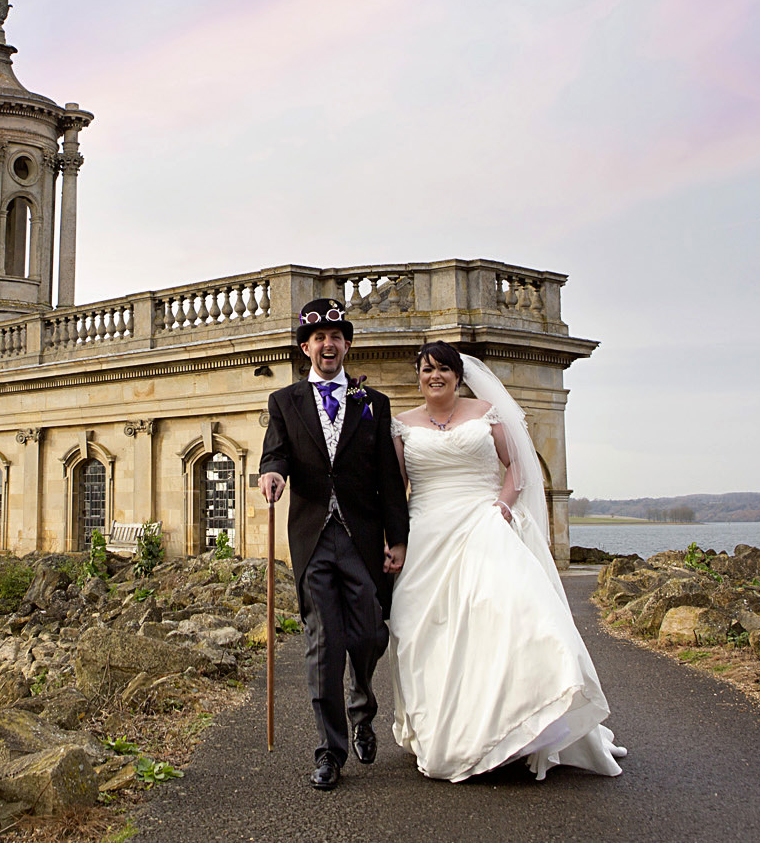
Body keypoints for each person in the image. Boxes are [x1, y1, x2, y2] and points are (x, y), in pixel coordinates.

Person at [387, 342, 627, 782]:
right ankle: (447, 729)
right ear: (417, 377)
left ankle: (521, 725)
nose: (434, 376)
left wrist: (502, 504)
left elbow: (518, 466)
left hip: (483, 523)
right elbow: (397, 488)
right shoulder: (401, 425)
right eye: (426, 369)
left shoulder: (487, 412)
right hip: (426, 535)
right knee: (425, 632)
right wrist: (394, 540)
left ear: (458, 375)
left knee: (511, 616)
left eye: (443, 369)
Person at [257, 297, 410, 791]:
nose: (329, 344)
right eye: (319, 338)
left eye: (336, 336)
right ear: (306, 348)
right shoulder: (284, 402)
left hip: (363, 539)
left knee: (368, 635)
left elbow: (390, 480)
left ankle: (362, 710)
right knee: (324, 642)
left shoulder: (374, 404)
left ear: (347, 345)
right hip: (312, 537)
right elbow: (275, 453)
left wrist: (398, 539)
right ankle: (330, 749)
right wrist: (272, 474)